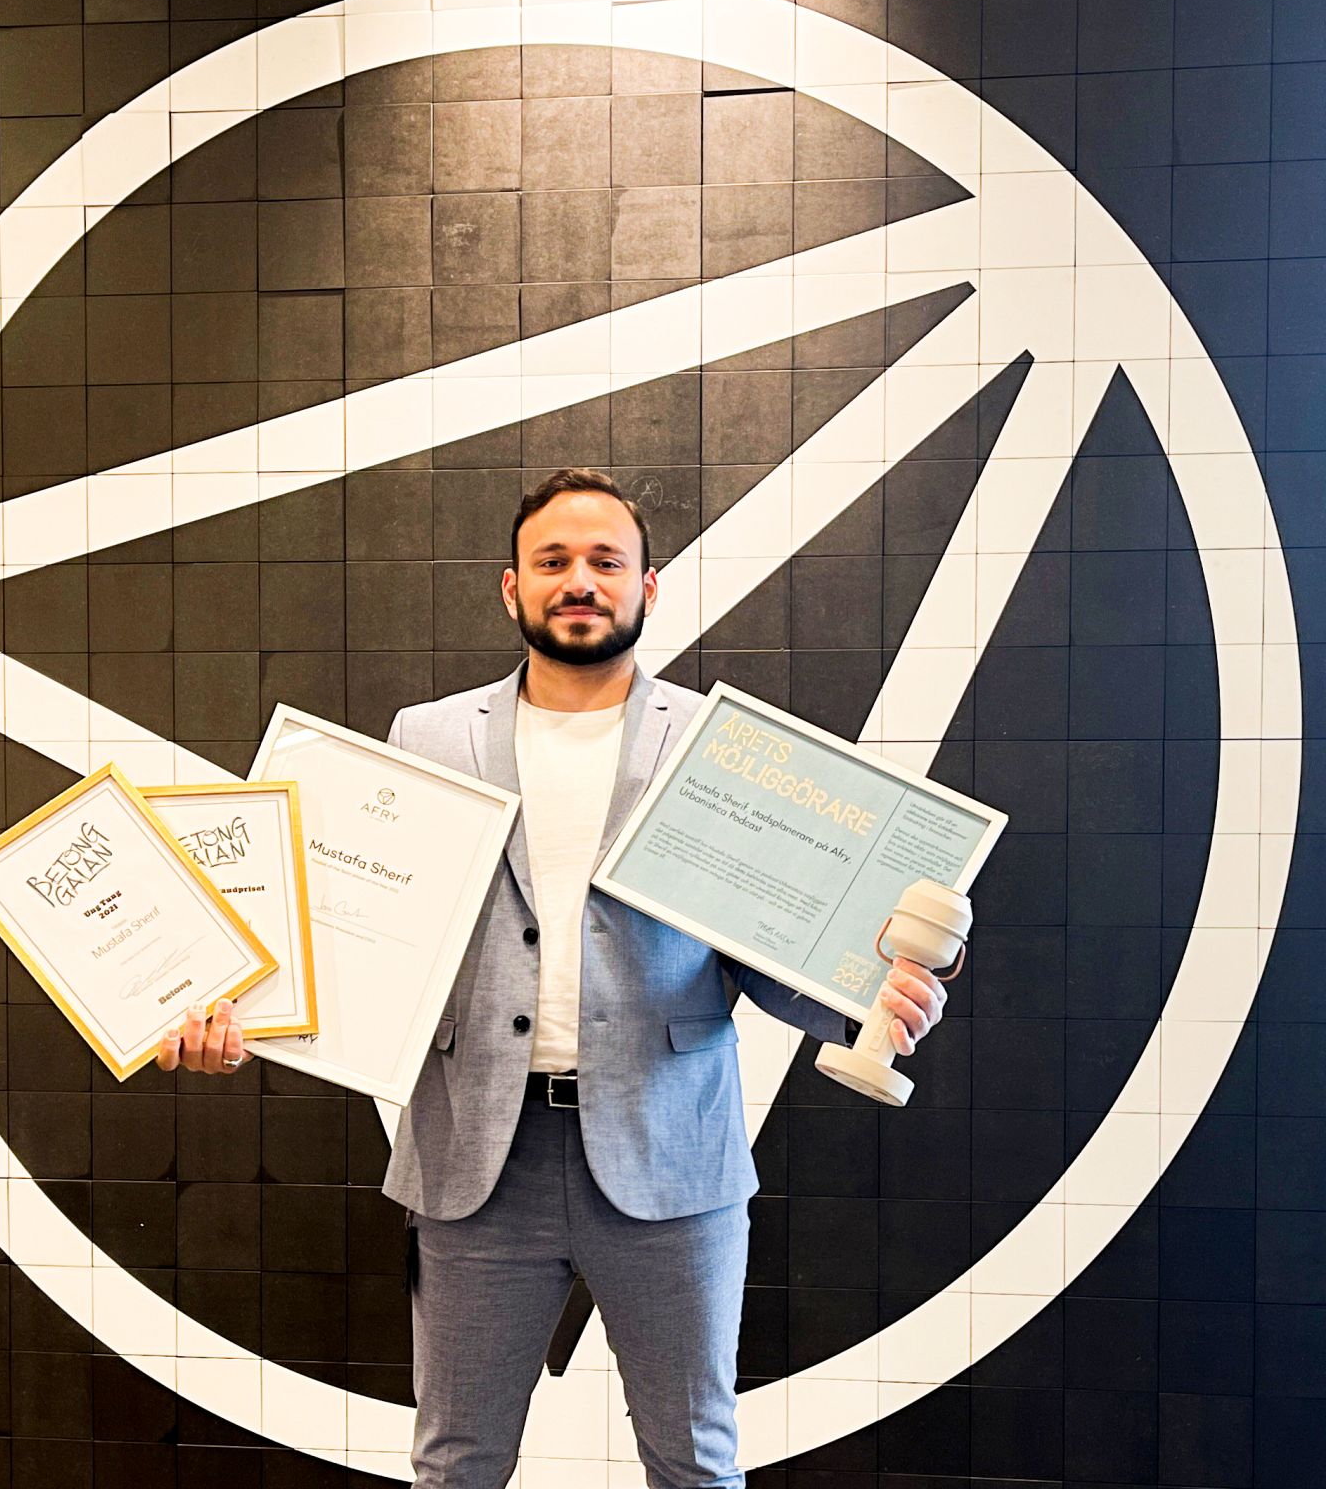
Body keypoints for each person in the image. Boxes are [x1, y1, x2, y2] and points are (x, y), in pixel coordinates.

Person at [161, 468, 951, 1488]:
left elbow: (767, 950)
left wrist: (865, 995)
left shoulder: (718, 751)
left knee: (697, 1464)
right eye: (554, 561)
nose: (580, 580)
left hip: (671, 1156)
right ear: (513, 588)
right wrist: (246, 1013)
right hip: (479, 1163)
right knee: (456, 1466)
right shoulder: (427, 737)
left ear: (648, 587)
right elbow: (354, 931)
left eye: (606, 562)